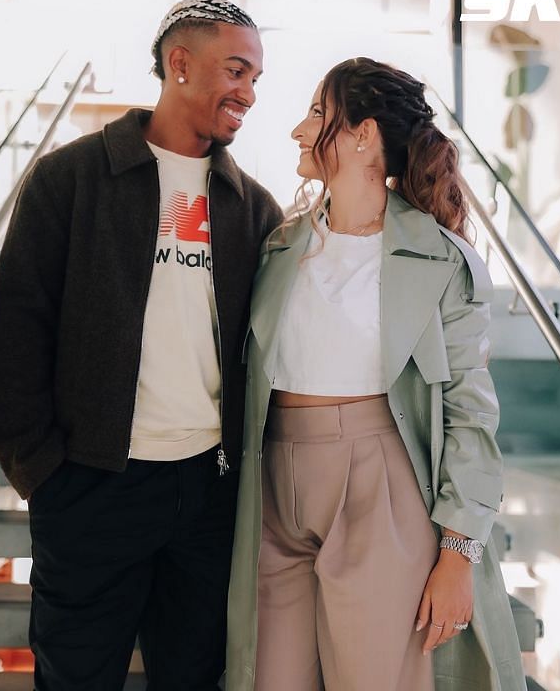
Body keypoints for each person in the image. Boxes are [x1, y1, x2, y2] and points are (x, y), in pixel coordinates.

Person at [0, 0, 283, 691]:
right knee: (77, 677)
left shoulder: (254, 209)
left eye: (256, 79)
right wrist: (42, 471)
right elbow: (18, 330)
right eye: (236, 71)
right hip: (91, 486)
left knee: (194, 678)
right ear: (179, 64)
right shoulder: (70, 180)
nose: (247, 93)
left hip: (208, 493)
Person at [225, 58, 525, 691]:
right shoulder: (279, 248)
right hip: (273, 485)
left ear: (362, 134)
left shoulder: (443, 260)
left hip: (380, 485)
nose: (296, 131)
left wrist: (458, 552)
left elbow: (471, 412)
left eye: (315, 114)